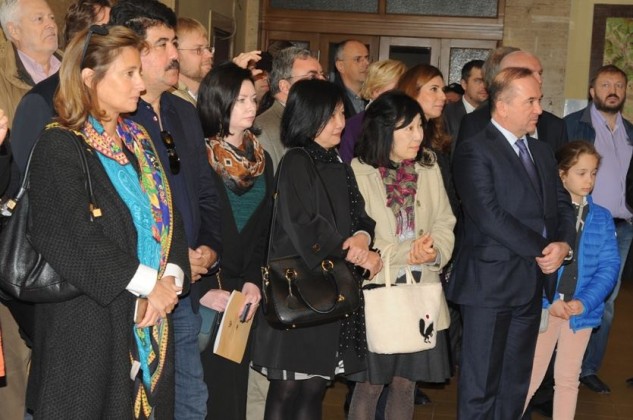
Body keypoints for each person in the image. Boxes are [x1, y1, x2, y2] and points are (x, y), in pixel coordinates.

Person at [25, 24, 189, 418]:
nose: (140, 85)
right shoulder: (60, 144)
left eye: (139, 72)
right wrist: (148, 286)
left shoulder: (139, 140)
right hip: (84, 334)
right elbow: (72, 239)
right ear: (89, 78)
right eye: (129, 73)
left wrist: (169, 281)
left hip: (147, 319)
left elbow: (169, 216)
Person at [109, 1, 223, 418]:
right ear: (132, 51)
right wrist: (172, 259)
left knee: (191, 403)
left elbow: (206, 193)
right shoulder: (118, 121)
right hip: (138, 295)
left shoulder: (184, 113)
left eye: (175, 43)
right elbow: (124, 214)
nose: (175, 54)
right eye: (163, 44)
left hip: (183, 292)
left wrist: (209, 248)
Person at [449, 67, 576, 419]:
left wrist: (563, 245)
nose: (539, 109)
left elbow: (563, 206)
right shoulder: (475, 150)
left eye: (539, 100)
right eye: (531, 101)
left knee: (515, 386)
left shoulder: (542, 151)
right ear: (502, 106)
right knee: (481, 388)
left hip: (530, 284)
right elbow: (488, 215)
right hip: (489, 286)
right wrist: (543, 249)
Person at [252, 79, 382, 420]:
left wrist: (362, 238)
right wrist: (349, 250)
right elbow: (303, 223)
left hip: (330, 291)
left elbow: (361, 216)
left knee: (313, 390)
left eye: (341, 113)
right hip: (300, 289)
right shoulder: (297, 160)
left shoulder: (338, 163)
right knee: (287, 389)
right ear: (309, 117)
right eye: (332, 115)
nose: (341, 122)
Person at [349, 90, 455, 420]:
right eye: (408, 128)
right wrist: (408, 253)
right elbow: (360, 234)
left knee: (405, 383)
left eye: (420, 126)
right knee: (370, 385)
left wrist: (433, 250)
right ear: (384, 130)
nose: (418, 135)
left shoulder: (428, 165)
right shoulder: (358, 170)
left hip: (421, 288)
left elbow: (445, 219)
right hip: (378, 289)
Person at [195, 61, 271, 420]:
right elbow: (186, 228)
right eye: (240, 100)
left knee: (235, 394)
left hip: (243, 292)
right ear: (218, 102)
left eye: (253, 99)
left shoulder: (261, 159)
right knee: (206, 395)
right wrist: (201, 290)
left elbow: (264, 229)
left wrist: (255, 279)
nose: (250, 106)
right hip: (207, 287)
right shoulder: (198, 156)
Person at [524, 141, 619, 419]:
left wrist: (585, 302)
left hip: (580, 313)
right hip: (547, 308)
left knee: (568, 380)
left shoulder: (601, 218)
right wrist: (550, 300)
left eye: (594, 173)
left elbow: (609, 267)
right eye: (581, 172)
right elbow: (531, 263)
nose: (589, 180)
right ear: (562, 174)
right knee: (528, 379)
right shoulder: (545, 214)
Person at [564, 64, 633, 395]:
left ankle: (587, 368)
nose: (613, 90)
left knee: (606, 300)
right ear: (592, 91)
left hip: (622, 227)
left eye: (619, 85)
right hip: (583, 222)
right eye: (605, 84)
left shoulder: (630, 132)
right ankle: (561, 366)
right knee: (571, 291)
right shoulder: (572, 126)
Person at [11, 0, 112, 174]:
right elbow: (29, 172)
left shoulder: (109, 89)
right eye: (39, 18)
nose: (51, 24)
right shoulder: (40, 98)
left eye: (51, 17)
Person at [256, 46, 325, 171]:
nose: (323, 81)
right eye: (312, 77)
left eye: (322, 75)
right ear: (285, 87)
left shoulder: (321, 121)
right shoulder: (263, 129)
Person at [338, 59, 406, 164]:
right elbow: (346, 166)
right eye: (397, 89)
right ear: (375, 91)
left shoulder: (410, 121)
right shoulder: (354, 126)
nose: (403, 94)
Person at [172, 16, 214, 106]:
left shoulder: (211, 95)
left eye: (208, 48)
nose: (210, 55)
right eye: (198, 49)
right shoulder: (170, 100)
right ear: (175, 53)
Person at [443, 59, 487, 142]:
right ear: (464, 84)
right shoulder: (446, 114)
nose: (484, 86)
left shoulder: (496, 114)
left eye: (487, 81)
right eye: (478, 81)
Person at [333, 39, 370, 119]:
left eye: (367, 58)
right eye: (358, 59)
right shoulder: (330, 99)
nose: (367, 63)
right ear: (340, 66)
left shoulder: (375, 95)